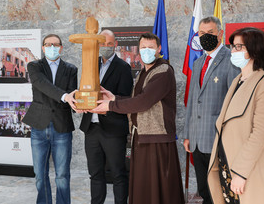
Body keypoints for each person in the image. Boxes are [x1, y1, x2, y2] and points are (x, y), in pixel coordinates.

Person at [91, 33, 185, 204]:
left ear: (159, 49)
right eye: (143, 47)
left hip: (157, 139)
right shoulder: (144, 71)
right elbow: (136, 100)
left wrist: (110, 106)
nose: (146, 51)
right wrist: (114, 98)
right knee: (144, 187)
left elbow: (144, 102)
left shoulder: (163, 71)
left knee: (158, 189)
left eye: (150, 47)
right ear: (138, 49)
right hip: (142, 137)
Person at [207, 27, 264, 204]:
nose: (233, 51)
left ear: (254, 50)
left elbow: (260, 134)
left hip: (246, 169)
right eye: (233, 46)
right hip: (227, 163)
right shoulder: (237, 80)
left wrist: (241, 172)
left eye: (239, 47)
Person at [182, 16, 240, 204]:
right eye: (201, 33)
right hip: (197, 139)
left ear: (220, 34)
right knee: (204, 190)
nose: (205, 36)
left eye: (210, 33)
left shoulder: (231, 61)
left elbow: (234, 103)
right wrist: (187, 134)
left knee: (219, 191)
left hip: (217, 139)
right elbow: (192, 101)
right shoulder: (198, 63)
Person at [22, 34, 78, 204]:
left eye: (55, 44)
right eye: (48, 44)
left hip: (62, 125)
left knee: (62, 175)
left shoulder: (71, 69)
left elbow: (72, 94)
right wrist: (64, 96)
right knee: (40, 174)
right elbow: (41, 84)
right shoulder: (34, 66)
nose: (52, 47)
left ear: (61, 47)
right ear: (43, 47)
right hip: (39, 125)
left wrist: (77, 103)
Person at [79, 29, 133, 204]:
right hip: (91, 129)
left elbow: (125, 99)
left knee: (118, 173)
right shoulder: (91, 64)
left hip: (113, 129)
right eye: (102, 43)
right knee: (95, 173)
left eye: (110, 44)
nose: (106, 47)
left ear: (115, 45)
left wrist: (107, 109)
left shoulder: (123, 67)